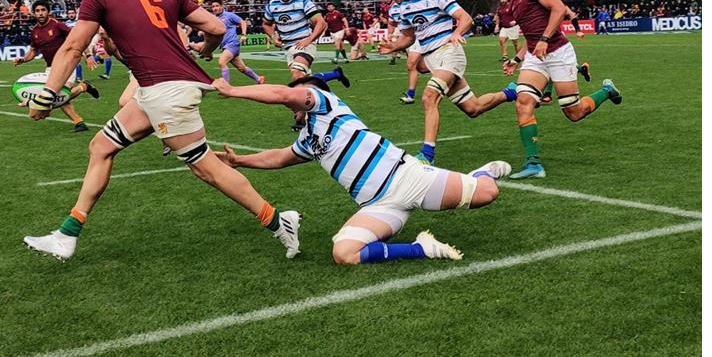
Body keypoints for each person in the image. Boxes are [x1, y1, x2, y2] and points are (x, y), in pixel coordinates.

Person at [22, 0, 302, 261]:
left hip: (164, 92)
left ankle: (278, 220)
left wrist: (48, 93)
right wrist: (208, 52)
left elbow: (72, 47)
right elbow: (214, 28)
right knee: (101, 146)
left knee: (205, 168)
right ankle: (67, 234)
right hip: (156, 89)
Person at [212, 74, 510, 265]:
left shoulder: (327, 104)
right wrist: (239, 161)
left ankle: (481, 173)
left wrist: (233, 90)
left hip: (407, 178)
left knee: (487, 193)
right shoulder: (307, 140)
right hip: (378, 205)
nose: (292, 106)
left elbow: (282, 94)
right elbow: (276, 158)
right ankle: (423, 248)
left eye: (298, 98)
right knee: (344, 253)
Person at [375, 0, 513, 165]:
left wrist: (456, 33)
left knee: (429, 97)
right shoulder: (404, 6)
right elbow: (409, 37)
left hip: (449, 53)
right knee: (473, 108)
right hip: (431, 59)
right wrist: (393, 47)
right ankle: (511, 92)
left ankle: (427, 155)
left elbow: (465, 18)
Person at [499, 0, 623, 179]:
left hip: (558, 53)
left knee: (574, 113)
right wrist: (516, 60)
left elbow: (558, 8)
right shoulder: (514, 3)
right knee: (523, 102)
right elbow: (530, 37)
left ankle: (606, 91)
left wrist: (545, 40)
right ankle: (533, 164)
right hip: (536, 57)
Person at [10, 0, 99, 132]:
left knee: (59, 94)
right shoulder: (34, 31)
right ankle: (83, 89)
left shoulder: (58, 25)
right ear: (34, 13)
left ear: (48, 12)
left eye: (43, 10)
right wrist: (23, 59)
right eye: (37, 11)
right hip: (50, 67)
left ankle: (79, 120)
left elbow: (78, 39)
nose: (40, 13)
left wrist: (88, 55)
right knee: (56, 96)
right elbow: (33, 51)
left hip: (67, 64)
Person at [262, 0, 333, 83]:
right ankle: (335, 74)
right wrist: (273, 37)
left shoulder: (303, 1)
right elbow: (266, 24)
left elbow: (321, 23)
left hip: (304, 44)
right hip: (288, 47)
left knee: (297, 73)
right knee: (305, 80)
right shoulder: (272, 5)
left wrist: (309, 40)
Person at [204, 0, 265, 84]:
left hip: (232, 44)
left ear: (222, 6)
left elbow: (243, 22)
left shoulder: (229, 15)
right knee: (242, 68)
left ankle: (225, 87)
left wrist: (244, 35)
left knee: (222, 62)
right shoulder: (214, 19)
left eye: (217, 6)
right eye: (213, 6)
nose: (215, 8)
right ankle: (259, 79)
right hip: (225, 46)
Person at [496, 0, 521, 67]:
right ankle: (505, 56)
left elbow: (518, 14)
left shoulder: (511, 6)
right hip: (504, 27)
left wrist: (515, 21)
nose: (502, 1)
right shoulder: (499, 8)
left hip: (513, 27)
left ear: (507, 0)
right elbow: (498, 17)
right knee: (501, 40)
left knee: (515, 43)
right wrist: (497, 25)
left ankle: (519, 56)